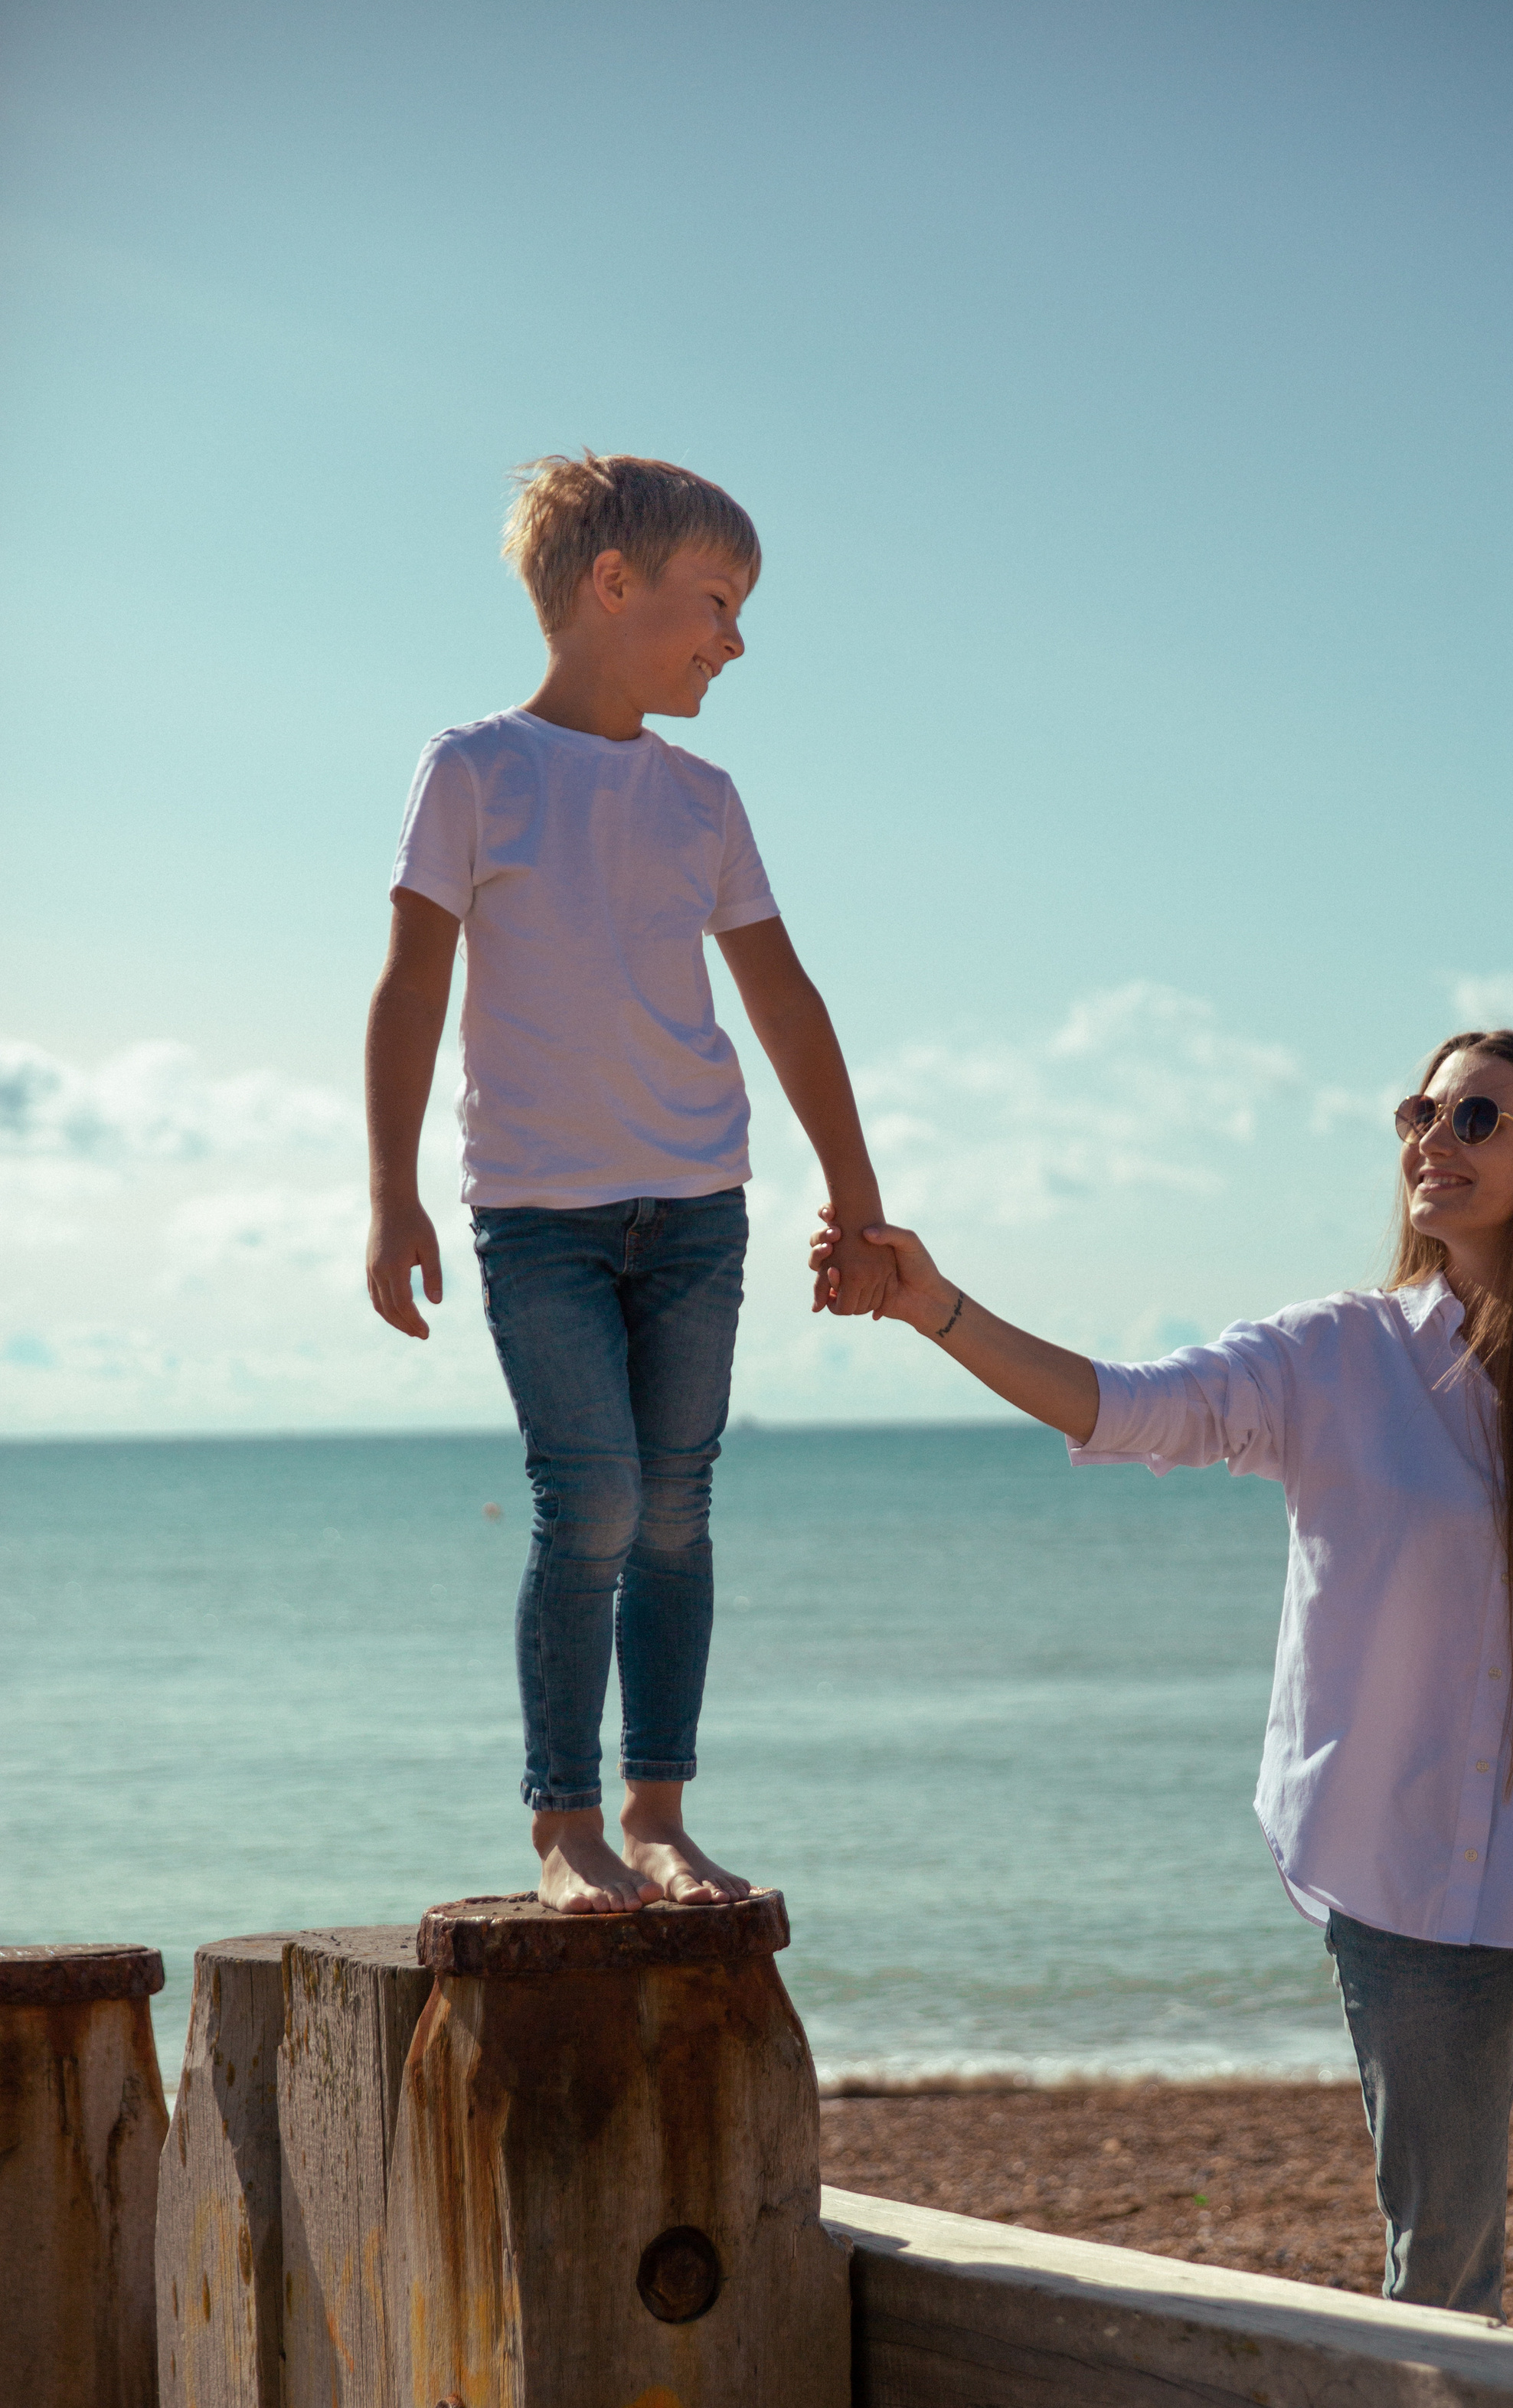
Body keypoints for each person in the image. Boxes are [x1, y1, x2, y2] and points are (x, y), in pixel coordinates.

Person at [814, 1027, 1513, 2381]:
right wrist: (940, 1306)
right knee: (1443, 2252)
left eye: (1473, 1118)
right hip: (1399, 1864)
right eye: (1420, 1113)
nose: (1428, 1143)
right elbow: (1128, 1406)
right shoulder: (1336, 1357)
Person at [365, 451, 890, 1916]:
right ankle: (564, 1825)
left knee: (675, 1509)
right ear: (611, 586)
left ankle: (658, 1813)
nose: (734, 639)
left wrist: (855, 1192)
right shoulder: (473, 769)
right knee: (588, 1497)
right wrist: (391, 1193)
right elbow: (410, 988)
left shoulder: (705, 798)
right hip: (535, 1215)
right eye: (715, 603)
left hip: (697, 1205)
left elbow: (785, 998)